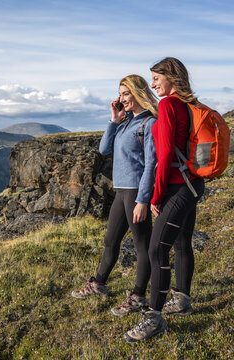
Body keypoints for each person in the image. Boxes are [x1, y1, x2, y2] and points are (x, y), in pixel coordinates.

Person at [124, 57, 205, 343]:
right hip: (192, 183)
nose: (154, 84)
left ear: (172, 77)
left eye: (157, 78)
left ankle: (154, 318)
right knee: (182, 244)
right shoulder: (185, 105)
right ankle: (182, 300)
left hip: (176, 187)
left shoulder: (170, 105)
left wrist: (155, 196)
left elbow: (165, 154)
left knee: (157, 250)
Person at [71, 74, 158, 317]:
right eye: (120, 94)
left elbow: (151, 164)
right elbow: (104, 149)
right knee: (111, 240)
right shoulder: (126, 123)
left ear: (138, 92)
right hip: (121, 190)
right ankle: (98, 284)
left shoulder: (148, 124)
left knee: (142, 245)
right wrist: (114, 120)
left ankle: (139, 296)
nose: (122, 98)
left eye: (126, 93)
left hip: (134, 191)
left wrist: (143, 200)